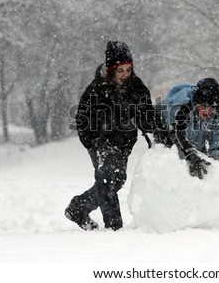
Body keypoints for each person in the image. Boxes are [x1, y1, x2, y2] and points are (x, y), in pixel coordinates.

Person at [65, 40, 155, 231]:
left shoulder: (136, 88)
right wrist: (93, 141)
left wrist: (156, 133)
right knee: (109, 178)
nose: (125, 75)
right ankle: (114, 229)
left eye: (128, 69)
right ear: (111, 69)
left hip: (124, 143)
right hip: (100, 142)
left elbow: (146, 116)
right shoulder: (97, 89)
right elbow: (82, 118)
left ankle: (78, 207)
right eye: (120, 70)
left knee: (116, 181)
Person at [154, 78, 219, 179]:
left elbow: (216, 135)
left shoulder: (214, 113)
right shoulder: (180, 108)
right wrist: (190, 156)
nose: (208, 111)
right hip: (169, 142)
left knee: (203, 168)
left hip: (194, 142)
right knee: (179, 170)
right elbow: (177, 135)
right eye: (204, 106)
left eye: (211, 107)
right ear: (197, 102)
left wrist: (216, 156)